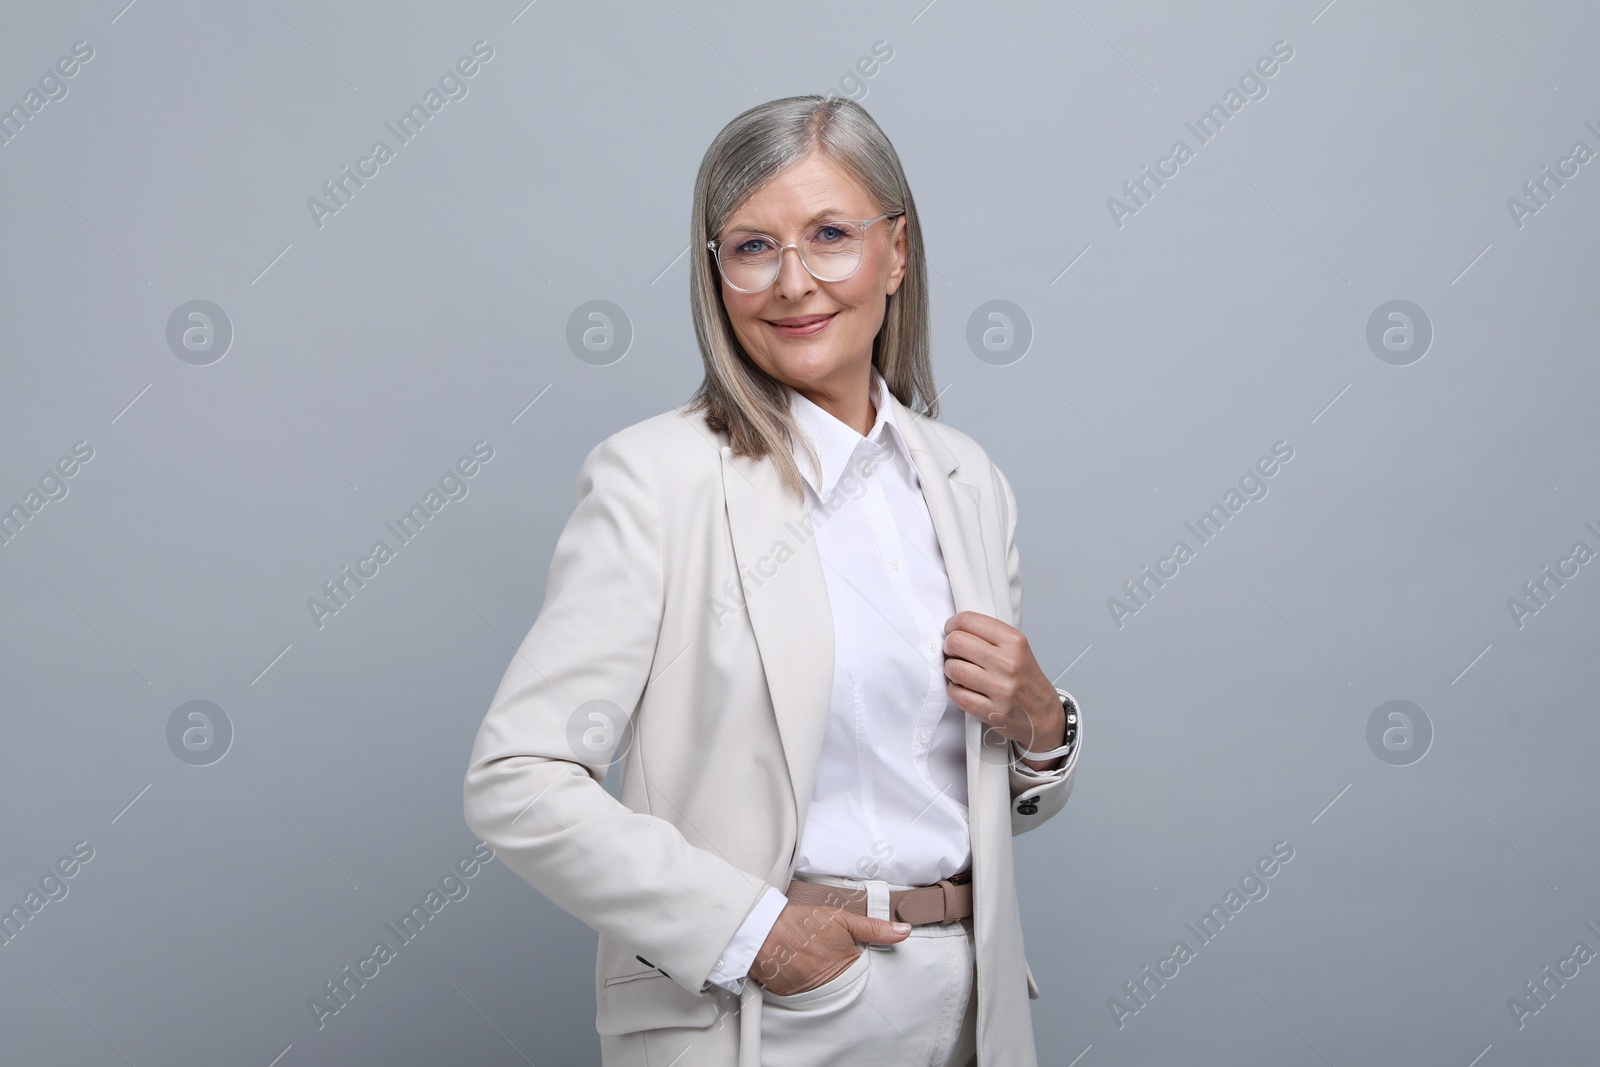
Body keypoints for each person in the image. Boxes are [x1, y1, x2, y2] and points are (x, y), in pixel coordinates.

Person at [463, 94, 1083, 1067]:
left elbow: (966, 794)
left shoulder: (967, 481)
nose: (793, 282)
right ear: (716, 273)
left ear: (897, 253)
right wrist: (758, 934)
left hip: (969, 1004)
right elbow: (517, 780)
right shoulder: (659, 478)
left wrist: (1043, 727)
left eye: (830, 234)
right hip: (769, 1011)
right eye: (752, 247)